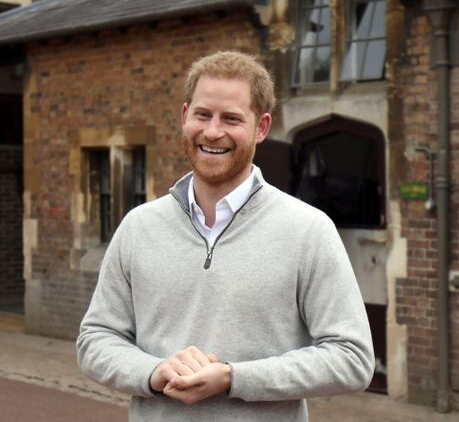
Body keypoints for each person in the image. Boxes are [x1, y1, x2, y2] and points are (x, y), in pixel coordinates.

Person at [76, 51, 374, 422]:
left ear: (261, 127)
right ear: (185, 116)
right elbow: (95, 340)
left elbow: (353, 359)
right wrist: (153, 372)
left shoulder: (308, 230)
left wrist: (235, 377)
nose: (213, 132)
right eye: (203, 115)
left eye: (231, 119)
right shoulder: (139, 226)